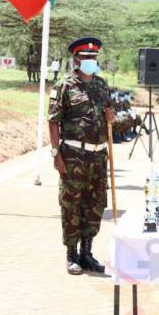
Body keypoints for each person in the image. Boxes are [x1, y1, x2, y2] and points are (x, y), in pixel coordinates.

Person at [48, 37, 115, 275]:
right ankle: (72, 254)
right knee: (71, 204)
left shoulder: (101, 85)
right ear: (76, 59)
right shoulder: (65, 86)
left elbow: (108, 117)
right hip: (74, 154)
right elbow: (53, 121)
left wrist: (111, 118)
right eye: (86, 57)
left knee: (95, 204)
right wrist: (56, 153)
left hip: (98, 156)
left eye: (93, 58)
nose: (90, 61)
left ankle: (87, 252)